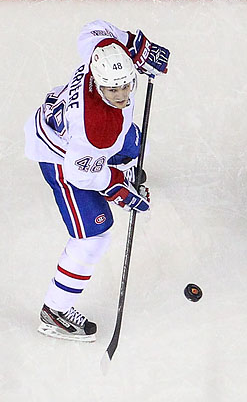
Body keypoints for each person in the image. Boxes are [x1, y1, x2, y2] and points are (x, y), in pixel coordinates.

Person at [24, 20, 169, 341]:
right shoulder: (97, 130)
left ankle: (124, 163)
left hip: (72, 132)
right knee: (94, 235)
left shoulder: (101, 53)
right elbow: (80, 172)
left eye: (125, 86)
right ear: (99, 84)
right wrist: (119, 188)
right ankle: (56, 311)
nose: (121, 95)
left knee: (131, 140)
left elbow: (92, 30)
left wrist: (135, 45)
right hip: (60, 155)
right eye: (112, 89)